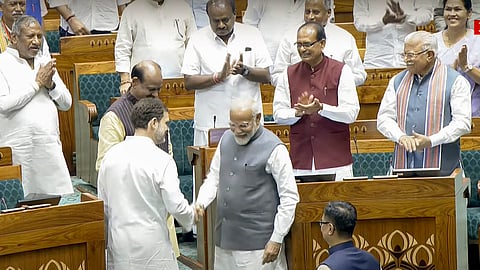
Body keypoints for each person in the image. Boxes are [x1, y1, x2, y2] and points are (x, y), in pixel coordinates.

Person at [195, 96, 299, 270]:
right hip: (224, 238)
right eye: (232, 125)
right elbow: (214, 177)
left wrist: (276, 238)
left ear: (257, 118)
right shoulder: (225, 139)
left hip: (259, 245)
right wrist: (201, 202)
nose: (237, 131)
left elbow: (289, 198)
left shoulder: (275, 148)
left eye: (243, 126)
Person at [95, 60, 181, 257]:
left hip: (159, 210)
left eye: (159, 89)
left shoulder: (158, 111)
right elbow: (104, 167)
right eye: (151, 89)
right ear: (134, 82)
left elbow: (167, 151)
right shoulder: (114, 117)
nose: (156, 95)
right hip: (131, 214)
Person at [98, 98, 195, 269]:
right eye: (166, 123)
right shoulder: (162, 160)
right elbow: (176, 207)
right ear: (153, 123)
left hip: (119, 246)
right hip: (152, 249)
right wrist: (192, 216)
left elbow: (103, 208)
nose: (167, 129)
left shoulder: (110, 157)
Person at [377, 31, 471, 176]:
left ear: (430, 55)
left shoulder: (456, 81)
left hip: (445, 173)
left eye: (411, 55)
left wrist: (431, 141)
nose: (406, 59)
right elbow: (384, 119)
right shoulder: (396, 81)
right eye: (404, 54)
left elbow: (463, 123)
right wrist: (400, 137)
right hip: (402, 170)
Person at [273, 22, 360, 181]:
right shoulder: (288, 73)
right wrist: (298, 112)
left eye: (307, 44)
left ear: (322, 44)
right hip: (301, 161)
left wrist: (321, 109)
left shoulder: (341, 70)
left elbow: (351, 113)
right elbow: (278, 114)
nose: (302, 49)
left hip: (335, 160)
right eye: (298, 45)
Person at [0, 15, 74, 196]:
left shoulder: (45, 64)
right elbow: (4, 104)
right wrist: (36, 84)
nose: (36, 41)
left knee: (53, 202)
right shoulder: (2, 62)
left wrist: (51, 85)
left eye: (39, 37)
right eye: (30, 36)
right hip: (18, 146)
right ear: (14, 38)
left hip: (48, 144)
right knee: (20, 204)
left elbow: (67, 103)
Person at [182, 0, 272, 147]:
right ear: (208, 17)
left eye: (225, 20)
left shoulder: (252, 34)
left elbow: (266, 75)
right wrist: (217, 77)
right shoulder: (197, 39)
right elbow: (189, 82)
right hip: (211, 123)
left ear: (235, 14)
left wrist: (245, 71)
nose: (221, 25)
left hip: (248, 124)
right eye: (215, 21)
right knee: (210, 168)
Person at [273, 0, 366, 87]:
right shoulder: (289, 37)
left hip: (334, 98)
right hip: (299, 98)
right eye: (307, 12)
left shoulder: (344, 38)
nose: (310, 17)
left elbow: (359, 75)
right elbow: (276, 76)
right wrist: (299, 82)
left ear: (328, 12)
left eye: (316, 12)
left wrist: (334, 82)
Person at [115, 0, 197, 94]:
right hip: (144, 84)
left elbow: (193, 45)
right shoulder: (131, 10)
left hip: (178, 82)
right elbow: (123, 48)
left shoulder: (183, 7)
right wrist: (125, 81)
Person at [433, 0, 480, 116]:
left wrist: (466, 67)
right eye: (448, 9)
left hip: (471, 113)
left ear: (469, 13)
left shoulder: (478, 39)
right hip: (437, 112)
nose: (452, 13)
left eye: (458, 9)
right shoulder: (431, 41)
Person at [353, 0, 433, 68]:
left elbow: (427, 15)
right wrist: (382, 21)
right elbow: (359, 22)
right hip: (376, 60)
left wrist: (406, 15)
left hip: (408, 58)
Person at [317, 201, 381, 270]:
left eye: (322, 222)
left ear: (330, 228)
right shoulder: (373, 260)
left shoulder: (326, 268)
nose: (321, 226)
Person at [48, 0, 131, 37]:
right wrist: (70, 18)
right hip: (74, 27)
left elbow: (123, 2)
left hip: (109, 25)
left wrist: (128, 26)